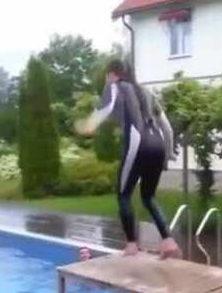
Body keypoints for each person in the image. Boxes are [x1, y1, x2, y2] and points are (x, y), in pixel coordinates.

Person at [75, 59, 181, 259]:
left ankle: (132, 245)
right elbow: (166, 126)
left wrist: (89, 125)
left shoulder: (115, 86)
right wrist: (168, 153)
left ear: (113, 74)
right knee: (148, 197)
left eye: (107, 76)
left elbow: (106, 108)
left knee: (123, 195)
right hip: (157, 143)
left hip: (137, 140)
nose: (107, 79)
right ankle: (168, 241)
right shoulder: (147, 92)